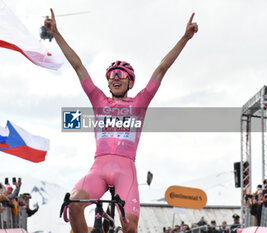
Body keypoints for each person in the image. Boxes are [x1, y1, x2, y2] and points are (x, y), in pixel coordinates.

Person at [44, 8, 198, 233]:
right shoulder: (98, 100)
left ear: (130, 82)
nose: (116, 78)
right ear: (107, 82)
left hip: (126, 170)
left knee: (129, 226)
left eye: (122, 75)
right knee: (74, 204)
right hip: (98, 168)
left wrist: (185, 37)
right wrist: (56, 33)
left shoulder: (139, 103)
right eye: (112, 76)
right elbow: (78, 66)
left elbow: (161, 69)